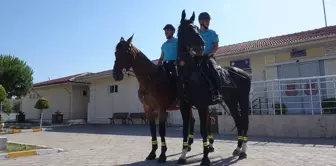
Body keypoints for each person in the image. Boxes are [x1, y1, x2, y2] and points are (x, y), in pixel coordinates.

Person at [198, 12, 222, 102]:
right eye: (206, 20)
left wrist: (208, 54)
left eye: (208, 20)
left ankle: (216, 92)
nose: (208, 22)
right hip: (197, 58)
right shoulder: (196, 33)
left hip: (208, 57)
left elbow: (215, 47)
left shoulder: (212, 33)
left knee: (213, 70)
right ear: (200, 21)